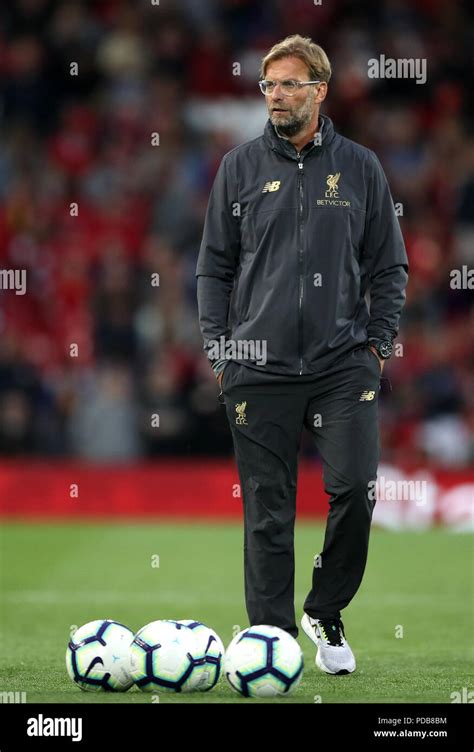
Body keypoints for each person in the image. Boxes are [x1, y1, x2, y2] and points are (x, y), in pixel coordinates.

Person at [196, 34, 408, 675]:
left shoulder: (362, 167)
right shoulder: (237, 167)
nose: (276, 96)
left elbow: (389, 265)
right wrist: (220, 351)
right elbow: (213, 269)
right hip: (257, 368)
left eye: (289, 84)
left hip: (344, 363)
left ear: (319, 89)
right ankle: (273, 643)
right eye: (268, 85)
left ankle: (326, 607)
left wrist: (378, 344)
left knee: (356, 490)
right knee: (267, 512)